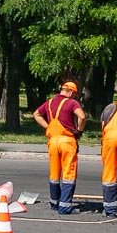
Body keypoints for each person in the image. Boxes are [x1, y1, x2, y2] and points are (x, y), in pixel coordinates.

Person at [32, 81, 86, 215]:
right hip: (67, 141)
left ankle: (54, 203)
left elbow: (36, 114)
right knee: (68, 174)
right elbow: (82, 116)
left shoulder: (49, 102)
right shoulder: (72, 103)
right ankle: (65, 207)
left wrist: (48, 127)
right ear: (72, 92)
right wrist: (79, 130)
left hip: (53, 141)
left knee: (54, 174)